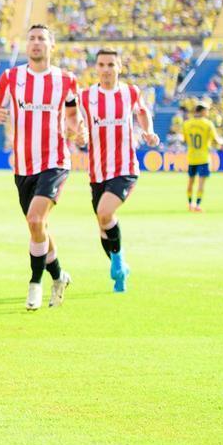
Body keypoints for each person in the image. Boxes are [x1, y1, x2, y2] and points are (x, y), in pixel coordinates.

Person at [0, 25, 81, 311]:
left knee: (36, 221)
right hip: (24, 165)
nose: (36, 43)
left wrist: (75, 130)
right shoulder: (11, 78)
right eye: (32, 38)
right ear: (27, 45)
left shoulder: (66, 80)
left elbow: (74, 117)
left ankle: (35, 284)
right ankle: (59, 275)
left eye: (42, 39)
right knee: (38, 227)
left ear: (52, 45)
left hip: (55, 161)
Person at [78, 49, 159, 292]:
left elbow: (143, 113)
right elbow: (74, 122)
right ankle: (120, 268)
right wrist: (77, 133)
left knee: (105, 212)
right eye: (101, 64)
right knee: (104, 225)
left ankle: (118, 263)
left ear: (119, 67)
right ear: (96, 68)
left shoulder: (130, 92)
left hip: (124, 167)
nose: (106, 69)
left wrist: (148, 131)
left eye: (111, 64)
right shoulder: (85, 96)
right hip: (97, 171)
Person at [182, 102, 222, 212]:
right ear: (203, 111)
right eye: (207, 110)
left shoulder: (186, 124)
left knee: (190, 182)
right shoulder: (208, 124)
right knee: (201, 183)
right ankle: (198, 205)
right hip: (203, 158)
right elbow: (217, 140)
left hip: (191, 157)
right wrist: (221, 142)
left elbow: (184, 140)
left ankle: (190, 204)